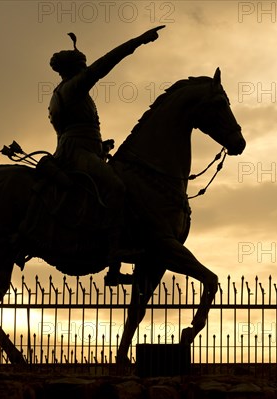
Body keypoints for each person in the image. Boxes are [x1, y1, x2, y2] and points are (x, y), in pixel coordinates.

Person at [48, 26, 165, 285]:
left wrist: (102, 148)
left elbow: (79, 128)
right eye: (83, 68)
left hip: (85, 149)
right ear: (75, 70)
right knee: (115, 186)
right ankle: (114, 254)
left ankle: (114, 259)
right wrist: (137, 41)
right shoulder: (72, 88)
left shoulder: (68, 92)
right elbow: (105, 64)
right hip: (75, 152)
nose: (86, 71)